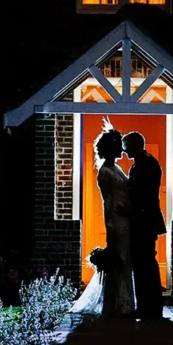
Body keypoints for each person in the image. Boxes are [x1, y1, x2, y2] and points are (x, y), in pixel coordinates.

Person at [69, 123, 135, 317]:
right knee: (120, 260)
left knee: (125, 260)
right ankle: (118, 304)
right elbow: (107, 201)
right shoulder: (105, 172)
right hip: (117, 220)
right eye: (117, 145)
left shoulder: (116, 168)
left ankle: (125, 302)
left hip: (126, 218)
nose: (120, 149)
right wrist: (111, 225)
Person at [123, 130, 165, 321]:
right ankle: (146, 306)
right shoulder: (139, 164)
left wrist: (130, 212)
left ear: (136, 145)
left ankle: (152, 308)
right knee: (141, 265)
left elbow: (145, 197)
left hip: (145, 222)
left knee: (146, 263)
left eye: (127, 147)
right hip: (141, 221)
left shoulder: (147, 164)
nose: (125, 151)